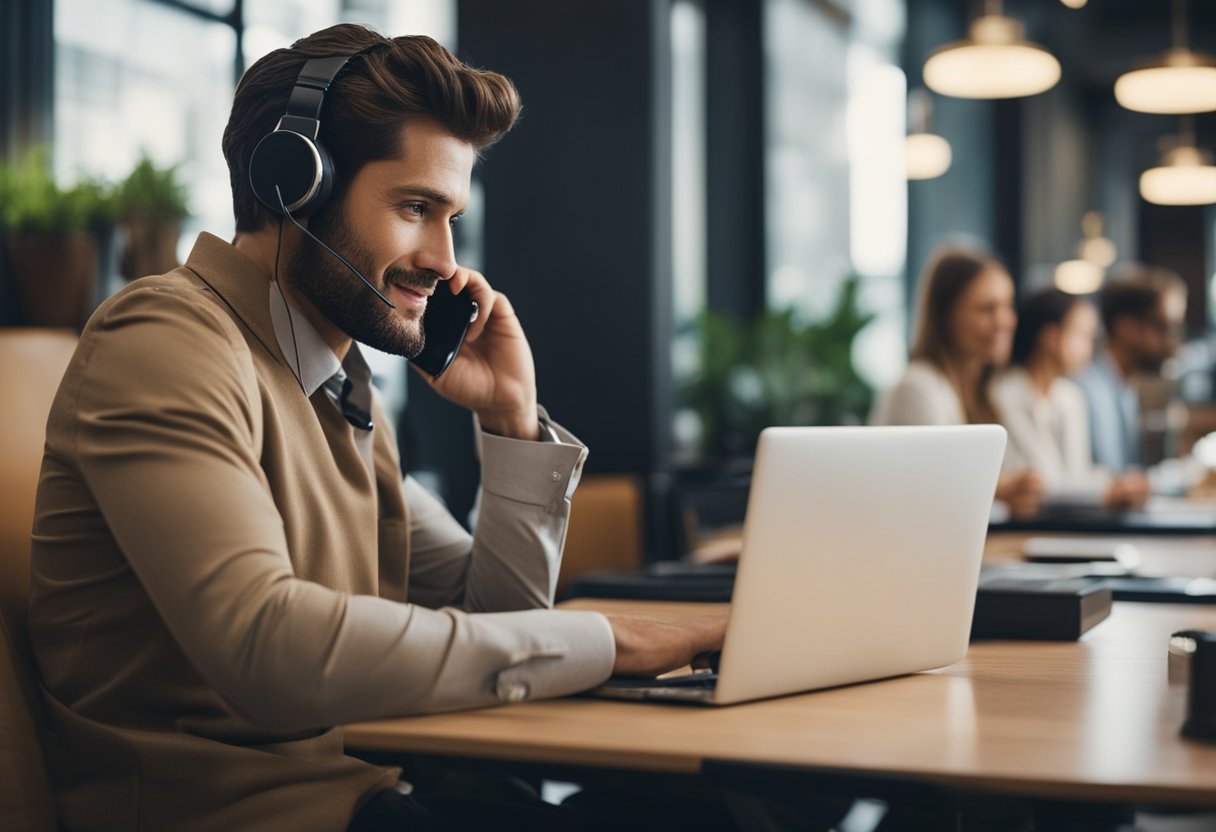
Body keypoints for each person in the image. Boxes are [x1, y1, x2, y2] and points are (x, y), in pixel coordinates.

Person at [27, 26, 727, 831]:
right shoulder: (163, 341)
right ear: (295, 185)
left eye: (452, 215)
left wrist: (508, 421)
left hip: (369, 797)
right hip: (247, 817)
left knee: (706, 807)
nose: (445, 258)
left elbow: (499, 630)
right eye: (415, 208)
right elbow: (266, 646)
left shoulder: (336, 384)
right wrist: (605, 638)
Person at [870, 245, 1042, 517]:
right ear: (945, 316)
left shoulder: (988, 393)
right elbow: (936, 500)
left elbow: (1036, 472)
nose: (1004, 321)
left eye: (1008, 305)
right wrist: (1001, 494)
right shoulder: (918, 388)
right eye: (986, 308)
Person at [992, 288, 1150, 508]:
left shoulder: (1069, 396)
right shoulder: (1005, 394)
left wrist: (1117, 484)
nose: (1090, 347)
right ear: (1051, 337)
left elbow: (1077, 473)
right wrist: (1106, 490)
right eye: (1083, 335)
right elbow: (1039, 481)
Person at [1073, 268, 1187, 472]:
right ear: (1126, 327)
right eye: (1164, 327)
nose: (1173, 344)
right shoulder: (1083, 391)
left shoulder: (1124, 385)